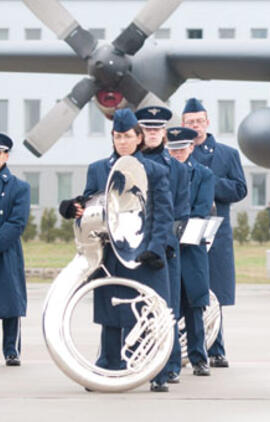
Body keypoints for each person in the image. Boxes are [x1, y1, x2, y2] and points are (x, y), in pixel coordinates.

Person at [59, 109, 174, 392]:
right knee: (110, 312)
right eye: (118, 136)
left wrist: (156, 249)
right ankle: (109, 364)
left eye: (128, 136)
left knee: (149, 312)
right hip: (111, 252)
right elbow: (89, 205)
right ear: (113, 137)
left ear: (139, 138)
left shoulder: (156, 170)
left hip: (145, 252)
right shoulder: (98, 169)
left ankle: (156, 371)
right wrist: (73, 208)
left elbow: (163, 215)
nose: (123, 141)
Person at [182, 98, 247, 368]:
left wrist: (208, 181)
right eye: (189, 123)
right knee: (190, 291)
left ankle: (217, 348)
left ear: (207, 123)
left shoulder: (227, 154)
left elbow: (240, 189)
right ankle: (189, 347)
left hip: (217, 232)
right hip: (188, 231)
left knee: (215, 293)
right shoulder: (177, 153)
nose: (195, 126)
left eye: (198, 121)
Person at [135, 106, 190, 383]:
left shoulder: (177, 169)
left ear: (164, 132)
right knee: (135, 309)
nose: (153, 134)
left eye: (157, 129)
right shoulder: (131, 163)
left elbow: (180, 211)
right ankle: (138, 361)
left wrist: (163, 244)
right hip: (133, 246)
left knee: (167, 309)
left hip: (165, 249)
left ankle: (169, 366)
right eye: (148, 129)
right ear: (140, 132)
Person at [166, 127, 214, 376]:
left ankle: (199, 357)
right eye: (172, 149)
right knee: (170, 307)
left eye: (182, 148)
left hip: (192, 249)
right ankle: (171, 364)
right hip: (168, 251)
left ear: (191, 148)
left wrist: (172, 228)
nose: (177, 153)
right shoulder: (161, 172)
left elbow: (202, 209)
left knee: (195, 305)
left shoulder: (204, 174)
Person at [0, 134, 30, 367]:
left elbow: (17, 222)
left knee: (10, 303)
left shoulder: (19, 187)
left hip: (6, 251)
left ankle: (12, 349)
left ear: (6, 155)